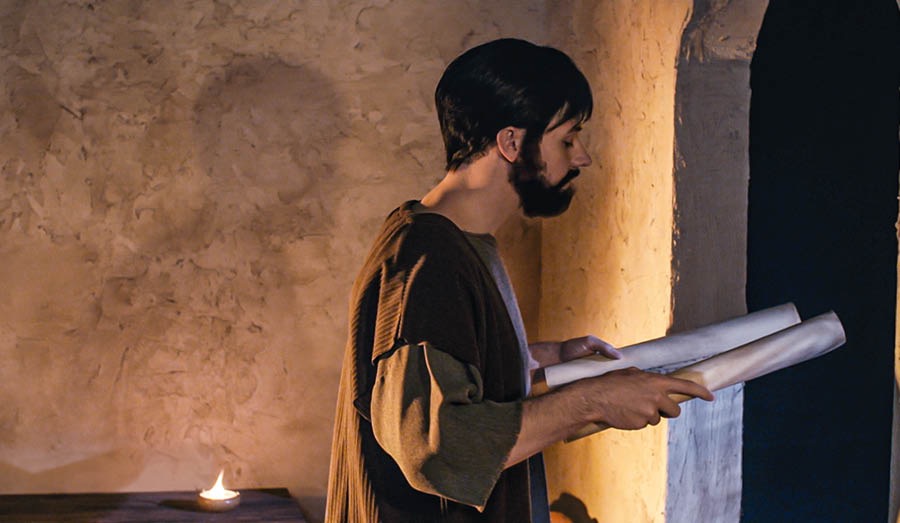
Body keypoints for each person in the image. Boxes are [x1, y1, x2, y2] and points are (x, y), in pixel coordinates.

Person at [325, 38, 714, 523]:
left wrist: (534, 359)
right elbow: (439, 445)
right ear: (511, 143)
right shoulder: (429, 257)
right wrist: (593, 399)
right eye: (567, 140)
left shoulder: (453, 242)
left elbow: (440, 371)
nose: (582, 158)